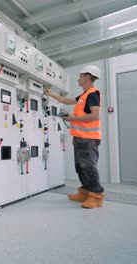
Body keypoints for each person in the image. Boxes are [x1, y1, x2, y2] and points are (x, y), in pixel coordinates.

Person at [44, 65, 105, 209]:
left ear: (88, 77)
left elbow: (95, 115)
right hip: (80, 137)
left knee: (89, 167)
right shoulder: (84, 95)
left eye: (80, 76)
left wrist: (73, 119)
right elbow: (66, 101)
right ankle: (85, 192)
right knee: (80, 167)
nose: (78, 78)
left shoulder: (92, 94)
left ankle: (96, 196)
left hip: (88, 138)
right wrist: (50, 93)